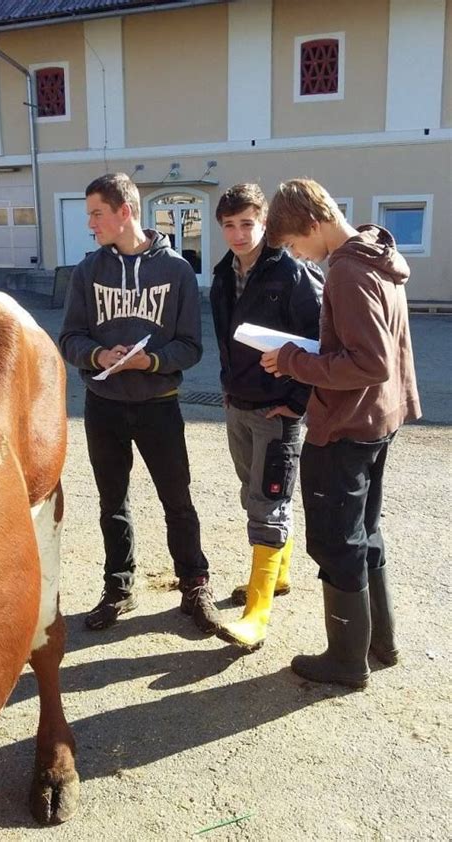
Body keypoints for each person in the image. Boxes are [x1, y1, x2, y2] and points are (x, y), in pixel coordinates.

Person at [261, 177, 421, 687]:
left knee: (336, 542)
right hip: (379, 418)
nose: (300, 258)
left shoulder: (347, 271)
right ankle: (381, 643)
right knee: (364, 532)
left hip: (347, 426)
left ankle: (347, 661)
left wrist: (292, 360)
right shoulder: (376, 256)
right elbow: (375, 353)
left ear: (313, 224)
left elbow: (368, 362)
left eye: (294, 245)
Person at [59, 172, 219, 633]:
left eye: (96, 213)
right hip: (103, 403)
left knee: (178, 499)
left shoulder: (177, 271)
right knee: (112, 501)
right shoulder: (88, 271)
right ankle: (119, 586)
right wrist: (96, 355)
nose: (90, 223)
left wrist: (150, 361)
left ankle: (194, 583)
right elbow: (69, 336)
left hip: (158, 403)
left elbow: (191, 346)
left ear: (125, 212)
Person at [210, 183, 323, 651]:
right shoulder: (222, 274)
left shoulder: (294, 271)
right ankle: (278, 576)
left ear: (264, 223)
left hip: (278, 410)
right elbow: (225, 339)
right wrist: (229, 388)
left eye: (247, 224)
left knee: (268, 499)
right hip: (240, 404)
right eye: (229, 226)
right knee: (254, 492)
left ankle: (256, 613)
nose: (238, 234)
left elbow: (321, 340)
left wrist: (297, 402)